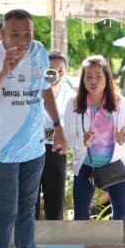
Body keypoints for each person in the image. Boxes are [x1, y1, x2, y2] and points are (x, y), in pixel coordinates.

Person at [0, 9, 67, 248]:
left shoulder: (39, 51)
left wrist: (58, 126)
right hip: (2, 147)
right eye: (16, 34)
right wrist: (5, 69)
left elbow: (45, 89)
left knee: (28, 207)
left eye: (28, 33)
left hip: (33, 145)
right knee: (6, 209)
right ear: (3, 34)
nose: (23, 39)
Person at [64, 55, 125, 223]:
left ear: (107, 78)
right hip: (86, 166)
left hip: (115, 165)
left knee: (120, 217)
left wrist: (121, 141)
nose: (93, 81)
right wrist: (83, 141)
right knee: (81, 216)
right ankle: (85, 241)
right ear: (83, 79)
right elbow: (69, 138)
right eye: (88, 76)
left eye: (98, 76)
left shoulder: (119, 102)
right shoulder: (73, 103)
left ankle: (117, 242)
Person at [36, 51, 75, 220]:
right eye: (52, 69)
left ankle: (56, 235)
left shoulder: (70, 95)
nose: (56, 74)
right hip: (33, 148)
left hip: (57, 149)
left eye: (61, 71)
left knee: (55, 201)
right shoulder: (34, 89)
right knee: (30, 201)